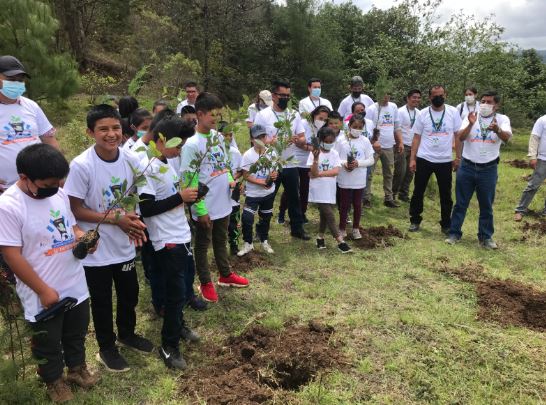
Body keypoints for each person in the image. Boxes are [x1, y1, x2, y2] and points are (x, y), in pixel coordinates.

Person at [0, 144, 99, 403]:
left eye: (59, 182)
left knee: (76, 331)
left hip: (74, 280)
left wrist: (83, 238)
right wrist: (42, 290)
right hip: (41, 288)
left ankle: (77, 369)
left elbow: (71, 227)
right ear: (24, 178)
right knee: (48, 341)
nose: (55, 188)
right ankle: (53, 381)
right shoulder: (8, 206)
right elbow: (12, 255)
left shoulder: (59, 195)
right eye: (48, 184)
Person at [64, 104, 153, 373]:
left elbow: (136, 193)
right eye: (103, 129)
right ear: (90, 132)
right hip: (97, 249)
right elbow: (75, 209)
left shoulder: (131, 159)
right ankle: (106, 347)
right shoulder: (81, 165)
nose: (111, 134)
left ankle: (127, 334)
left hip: (124, 244)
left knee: (129, 293)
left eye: (115, 128)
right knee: (102, 301)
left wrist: (131, 218)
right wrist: (116, 219)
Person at [137, 116, 200, 370]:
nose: (180, 150)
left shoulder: (165, 163)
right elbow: (146, 208)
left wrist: (188, 197)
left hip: (180, 234)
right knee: (175, 294)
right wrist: (180, 197)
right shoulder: (148, 167)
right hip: (166, 240)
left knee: (182, 289)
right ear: (162, 140)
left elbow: (171, 198)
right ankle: (168, 345)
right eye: (178, 145)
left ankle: (178, 325)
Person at [180, 92, 249, 303]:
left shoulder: (217, 137)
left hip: (223, 201)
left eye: (219, 115)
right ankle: (205, 282)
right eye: (213, 115)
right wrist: (200, 210)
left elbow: (224, 165)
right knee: (203, 244)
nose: (216, 119)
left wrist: (231, 181)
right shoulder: (191, 145)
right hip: (206, 205)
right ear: (200, 114)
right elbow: (189, 179)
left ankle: (225, 274)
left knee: (221, 239)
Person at [445, 91, 512, 249]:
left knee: (486, 205)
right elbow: (460, 137)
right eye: (483, 101)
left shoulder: (502, 119)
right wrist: (470, 124)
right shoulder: (470, 116)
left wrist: (497, 130)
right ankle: (454, 233)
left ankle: (485, 237)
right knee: (461, 203)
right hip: (467, 166)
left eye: (489, 102)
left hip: (488, 168)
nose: (485, 105)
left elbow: (507, 138)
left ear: (496, 105)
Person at [254, 79, 309, 240]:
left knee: (294, 197)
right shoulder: (263, 115)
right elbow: (257, 139)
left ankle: (297, 228)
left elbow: (303, 138)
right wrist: (274, 141)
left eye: (287, 96)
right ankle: (261, 230)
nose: (285, 98)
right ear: (274, 96)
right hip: (271, 164)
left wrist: (297, 140)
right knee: (267, 197)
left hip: (290, 163)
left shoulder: (293, 115)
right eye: (282, 95)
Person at [0, 55, 60, 193]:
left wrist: (58, 170)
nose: (17, 83)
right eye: (11, 79)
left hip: (37, 186)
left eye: (20, 80)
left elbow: (49, 139)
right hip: (5, 190)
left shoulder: (31, 106)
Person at [408, 85, 462, 234]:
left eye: (441, 95)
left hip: (445, 160)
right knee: (418, 191)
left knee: (446, 194)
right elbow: (416, 137)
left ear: (445, 95)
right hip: (424, 158)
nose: (438, 98)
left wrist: (458, 157)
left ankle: (446, 223)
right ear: (430, 98)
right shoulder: (423, 114)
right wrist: (412, 159)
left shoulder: (453, 112)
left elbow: (458, 136)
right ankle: (415, 220)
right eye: (435, 96)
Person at [279, 105, 330, 224]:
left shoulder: (323, 129)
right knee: (291, 189)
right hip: (296, 160)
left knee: (305, 189)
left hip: (309, 163)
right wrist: (310, 147)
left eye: (324, 120)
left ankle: (302, 213)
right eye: (320, 118)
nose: (322, 121)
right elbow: (297, 142)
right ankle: (281, 213)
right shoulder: (303, 124)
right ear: (314, 115)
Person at [308, 127, 352, 253]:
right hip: (318, 189)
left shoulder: (334, 153)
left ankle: (320, 237)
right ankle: (340, 241)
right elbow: (312, 172)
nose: (329, 144)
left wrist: (319, 174)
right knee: (330, 214)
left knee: (324, 215)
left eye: (331, 141)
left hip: (330, 189)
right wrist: (316, 159)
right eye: (326, 141)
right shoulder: (313, 154)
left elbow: (336, 171)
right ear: (320, 141)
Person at [238, 124, 278, 256]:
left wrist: (274, 176)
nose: (261, 140)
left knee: (266, 217)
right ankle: (248, 243)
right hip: (253, 194)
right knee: (247, 218)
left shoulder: (271, 153)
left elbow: (274, 171)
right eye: (257, 137)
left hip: (268, 193)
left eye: (263, 136)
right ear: (251, 139)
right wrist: (261, 182)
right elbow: (246, 175)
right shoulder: (248, 155)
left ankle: (264, 240)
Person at [335, 114, 375, 239]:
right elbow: (335, 158)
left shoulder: (365, 141)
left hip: (359, 178)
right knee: (344, 204)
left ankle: (356, 228)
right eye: (355, 126)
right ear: (349, 126)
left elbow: (371, 160)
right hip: (345, 177)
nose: (357, 129)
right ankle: (342, 228)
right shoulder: (341, 140)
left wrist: (358, 163)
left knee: (357, 204)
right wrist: (344, 163)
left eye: (360, 127)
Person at [366, 91, 403, 207]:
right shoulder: (372, 109)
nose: (386, 97)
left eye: (388, 94)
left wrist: (400, 142)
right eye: (383, 94)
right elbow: (367, 128)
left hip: (388, 146)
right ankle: (366, 198)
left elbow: (396, 126)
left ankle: (388, 198)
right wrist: (374, 141)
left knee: (389, 173)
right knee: (369, 173)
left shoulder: (393, 107)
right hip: (374, 146)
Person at [513, 114, 546, 221]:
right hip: (543, 159)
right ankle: (520, 210)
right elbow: (534, 138)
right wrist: (532, 156)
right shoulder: (542, 120)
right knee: (533, 185)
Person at [394, 89, 422, 202]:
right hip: (402, 145)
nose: (416, 99)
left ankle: (404, 194)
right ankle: (392, 193)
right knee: (400, 171)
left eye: (418, 98)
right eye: (414, 97)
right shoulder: (400, 111)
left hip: (414, 146)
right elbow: (397, 128)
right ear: (408, 98)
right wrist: (399, 143)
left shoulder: (419, 113)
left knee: (410, 172)